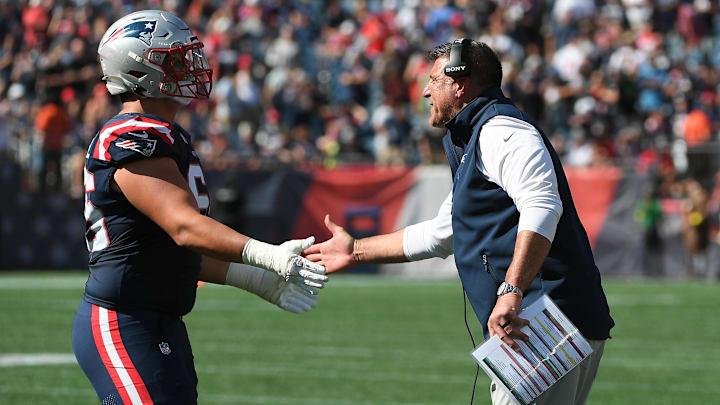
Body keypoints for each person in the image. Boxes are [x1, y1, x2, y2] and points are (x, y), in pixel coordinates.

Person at [304, 39, 614, 405]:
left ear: (460, 84)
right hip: (548, 320)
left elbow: (543, 206)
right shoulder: (479, 134)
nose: (424, 91)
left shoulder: (501, 130)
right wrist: (356, 251)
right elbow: (443, 232)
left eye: (434, 80)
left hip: (541, 320)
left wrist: (513, 290)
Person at [71, 10, 328, 405]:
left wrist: (254, 279)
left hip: (158, 321)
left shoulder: (166, 134)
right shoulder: (131, 137)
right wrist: (266, 254)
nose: (190, 66)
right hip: (124, 318)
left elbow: (176, 252)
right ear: (141, 71)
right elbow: (185, 228)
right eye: (175, 59)